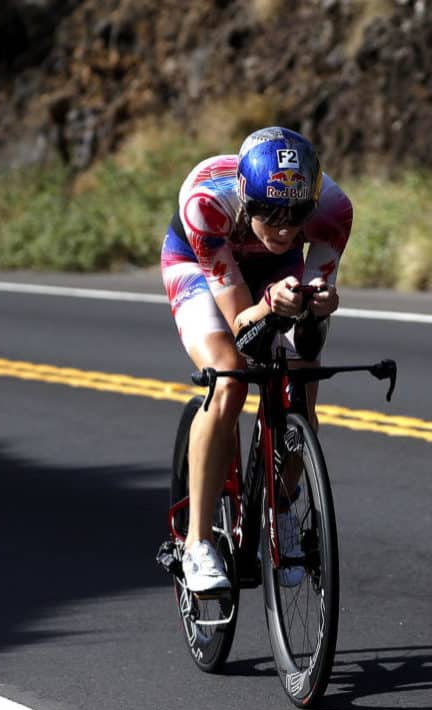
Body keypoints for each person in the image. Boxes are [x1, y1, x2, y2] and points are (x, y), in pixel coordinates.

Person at [160, 126, 353, 594]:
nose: (285, 228)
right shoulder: (206, 202)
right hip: (201, 263)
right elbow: (242, 324)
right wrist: (268, 306)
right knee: (229, 378)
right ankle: (198, 544)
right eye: (269, 212)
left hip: (275, 273)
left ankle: (283, 508)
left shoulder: (333, 210)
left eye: (296, 214)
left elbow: (309, 327)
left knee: (303, 386)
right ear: (247, 199)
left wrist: (319, 304)